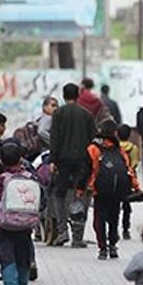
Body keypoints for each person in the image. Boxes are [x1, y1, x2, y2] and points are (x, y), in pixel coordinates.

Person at [48, 83, 97, 247]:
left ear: (63, 95)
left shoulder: (58, 114)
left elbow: (54, 138)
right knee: (80, 194)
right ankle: (78, 236)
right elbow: (93, 139)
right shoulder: (87, 115)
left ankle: (62, 231)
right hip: (83, 160)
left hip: (63, 160)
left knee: (59, 195)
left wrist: (53, 160)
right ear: (78, 96)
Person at [0, 143, 39, 285]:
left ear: (1, 160)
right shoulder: (30, 177)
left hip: (5, 227)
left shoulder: (0, 179)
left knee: (7, 260)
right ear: (21, 158)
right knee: (23, 260)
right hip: (26, 227)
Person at [88, 120, 141, 260]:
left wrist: (86, 187)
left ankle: (102, 248)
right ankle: (112, 246)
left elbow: (90, 169)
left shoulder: (94, 149)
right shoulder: (120, 151)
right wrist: (136, 187)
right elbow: (129, 170)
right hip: (117, 191)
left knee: (99, 219)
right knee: (113, 218)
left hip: (100, 190)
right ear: (115, 133)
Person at [117, 123, 140, 239]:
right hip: (128, 178)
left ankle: (114, 227)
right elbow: (135, 163)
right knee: (127, 204)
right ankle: (126, 229)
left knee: (115, 204)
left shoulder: (115, 146)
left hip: (117, 177)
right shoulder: (133, 148)